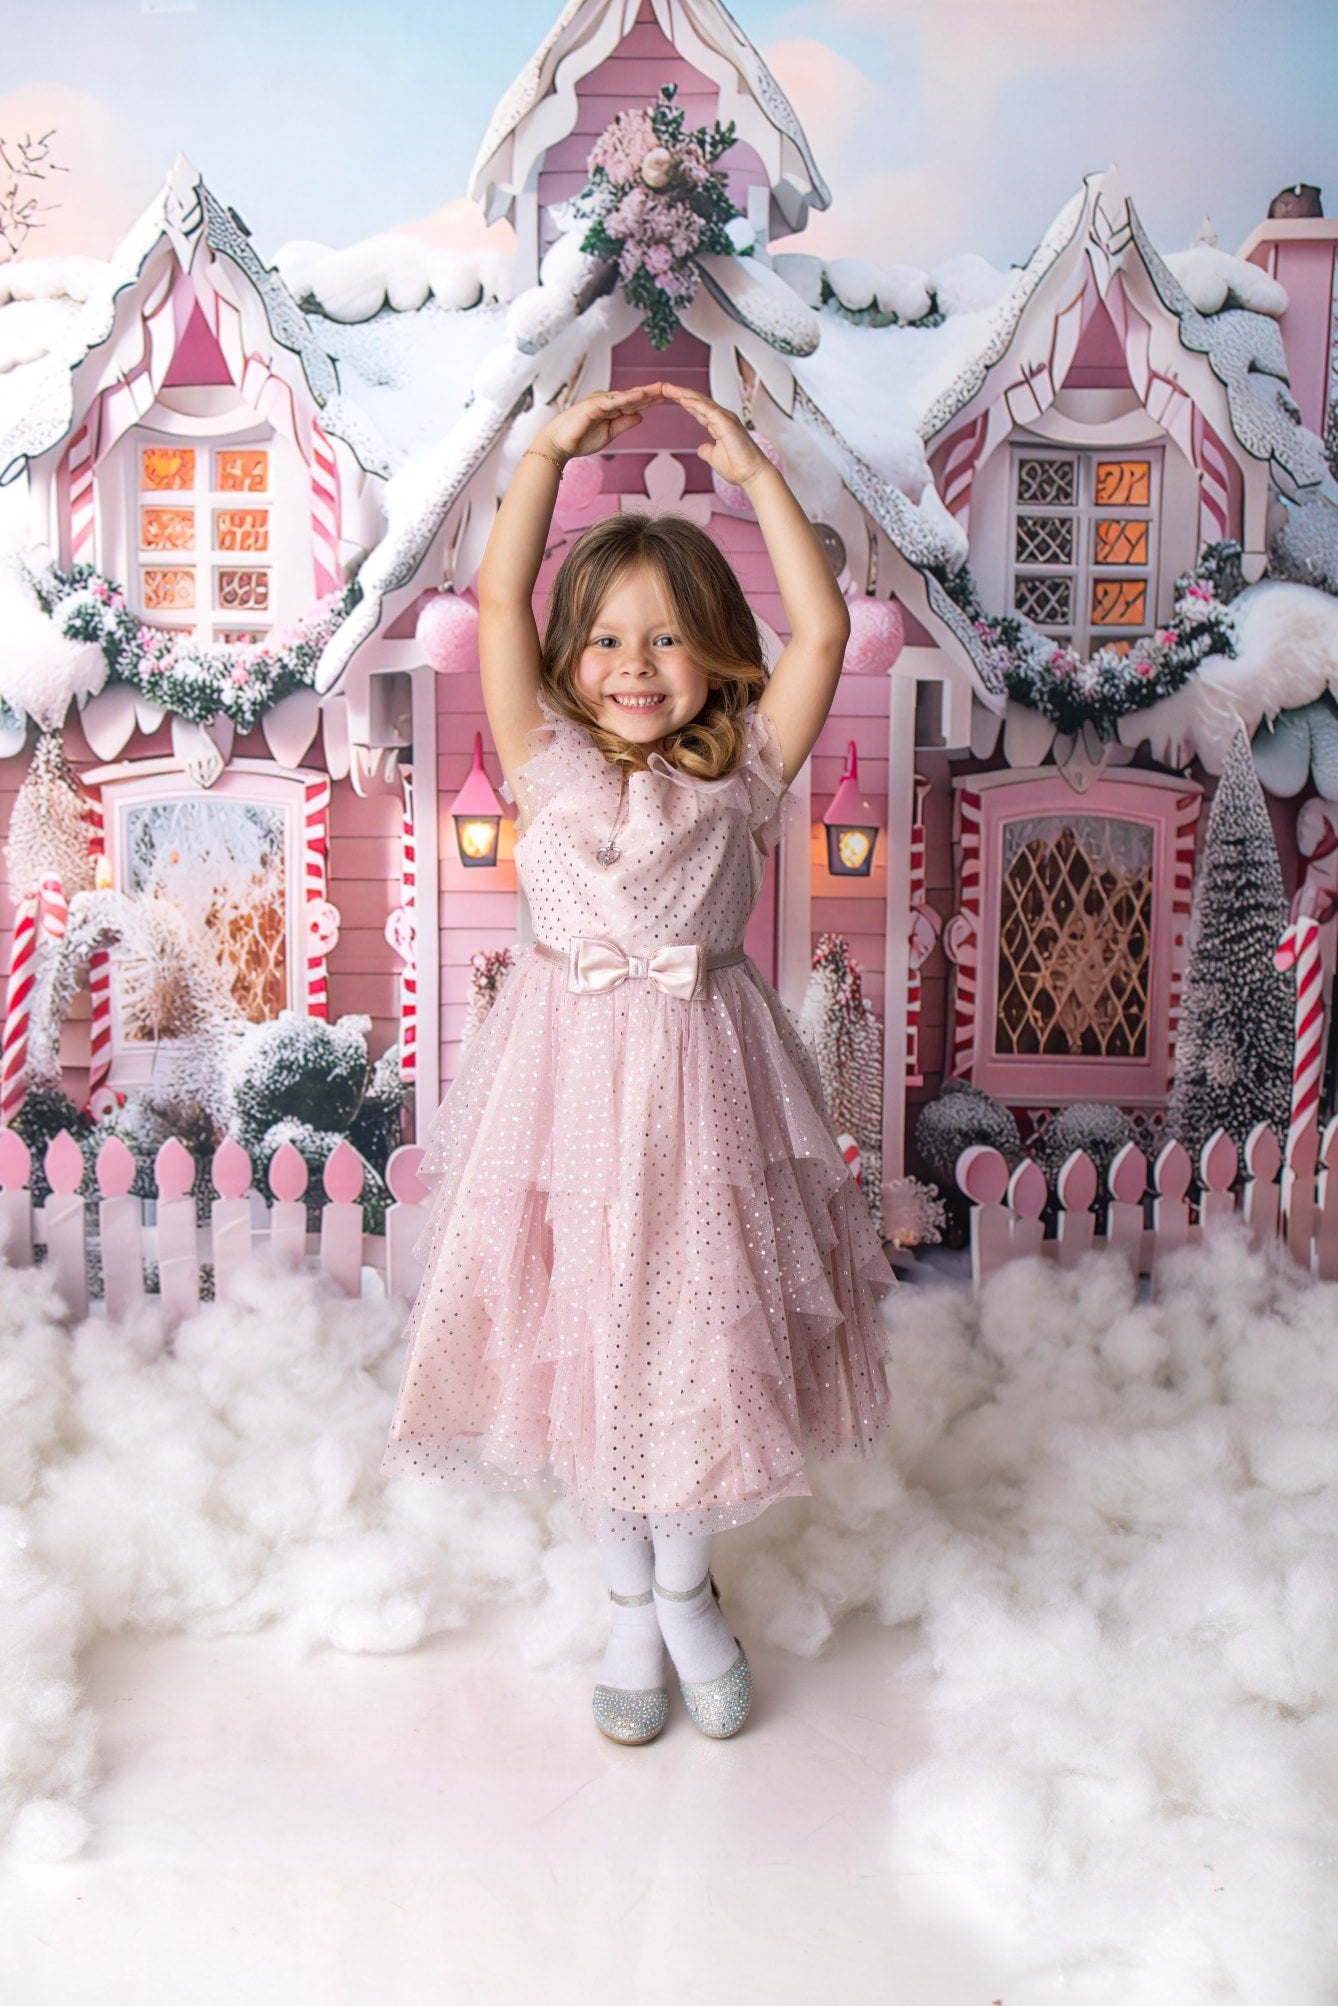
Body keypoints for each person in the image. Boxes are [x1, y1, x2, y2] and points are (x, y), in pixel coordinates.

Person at [380, 380, 899, 1744]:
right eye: (607, 636)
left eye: (668, 636)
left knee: (694, 1334)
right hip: (564, 1089)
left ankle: (684, 1591)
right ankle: (625, 1602)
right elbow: (499, 605)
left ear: (716, 653)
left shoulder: (748, 770)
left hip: (708, 1087)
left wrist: (757, 474)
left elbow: (824, 630)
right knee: (594, 1334)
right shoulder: (541, 761)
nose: (635, 662)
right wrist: (545, 455)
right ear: (569, 660)